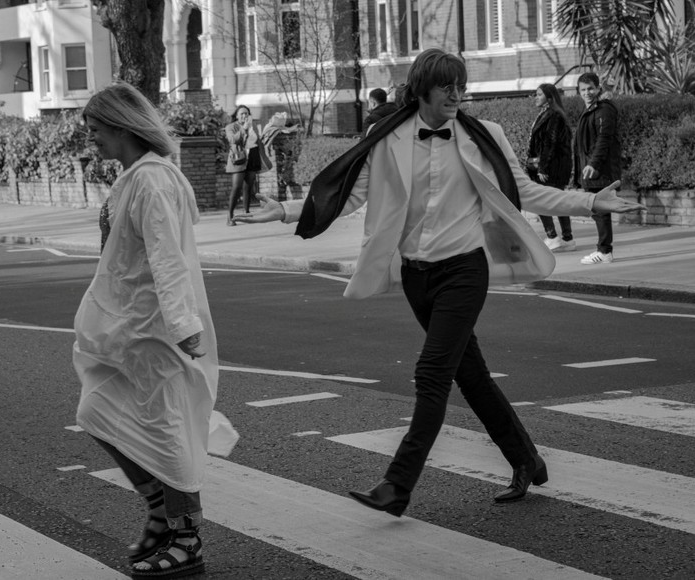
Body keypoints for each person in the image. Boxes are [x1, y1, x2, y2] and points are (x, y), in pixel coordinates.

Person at [235, 48, 643, 516]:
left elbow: (523, 192)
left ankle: (397, 485)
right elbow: (353, 196)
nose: (457, 95)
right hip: (416, 276)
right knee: (469, 375)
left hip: (464, 271)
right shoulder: (388, 138)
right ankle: (526, 459)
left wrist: (590, 203)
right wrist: (287, 211)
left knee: (432, 374)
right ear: (422, 89)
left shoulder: (482, 136)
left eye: (461, 86)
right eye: (447, 86)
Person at [74, 81, 216, 579]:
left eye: (95, 130)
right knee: (95, 412)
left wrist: (183, 325)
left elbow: (167, 257)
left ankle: (186, 540)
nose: (91, 140)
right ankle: (161, 510)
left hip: (155, 331)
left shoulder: (152, 180)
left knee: (167, 431)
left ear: (120, 125)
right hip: (128, 332)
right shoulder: (136, 177)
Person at [573, 71, 622, 265]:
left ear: (598, 88)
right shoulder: (591, 110)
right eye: (583, 90)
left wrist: (593, 163)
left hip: (600, 169)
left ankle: (604, 251)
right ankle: (603, 250)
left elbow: (604, 139)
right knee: (597, 210)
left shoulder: (603, 110)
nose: (587, 93)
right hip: (591, 168)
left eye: (590, 89)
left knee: (600, 209)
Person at [527, 83, 575, 252]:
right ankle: (567, 239)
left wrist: (542, 168)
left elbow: (550, 142)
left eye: (539, 94)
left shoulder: (553, 115)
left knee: (539, 201)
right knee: (558, 201)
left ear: (549, 98)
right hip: (554, 165)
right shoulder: (548, 114)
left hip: (552, 167)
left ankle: (552, 237)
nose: (536, 97)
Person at [224, 106, 271, 226]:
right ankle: (230, 215)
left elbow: (257, 141)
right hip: (239, 158)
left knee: (249, 186)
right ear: (237, 116)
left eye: (246, 113)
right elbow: (233, 140)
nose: (244, 116)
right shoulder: (231, 127)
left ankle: (247, 212)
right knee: (236, 187)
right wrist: (243, 129)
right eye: (242, 114)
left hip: (253, 156)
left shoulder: (253, 125)